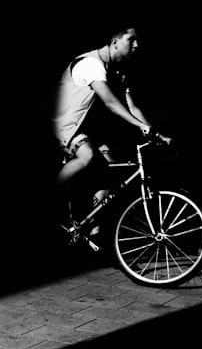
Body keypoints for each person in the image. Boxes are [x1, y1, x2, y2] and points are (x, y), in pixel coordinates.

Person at [52, 26, 170, 218]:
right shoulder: (91, 64)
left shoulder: (118, 72)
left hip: (86, 131)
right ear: (115, 42)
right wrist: (141, 126)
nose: (137, 45)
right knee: (88, 155)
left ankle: (93, 232)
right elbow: (110, 102)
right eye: (131, 40)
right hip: (65, 125)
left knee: (110, 175)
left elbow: (132, 107)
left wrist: (155, 132)